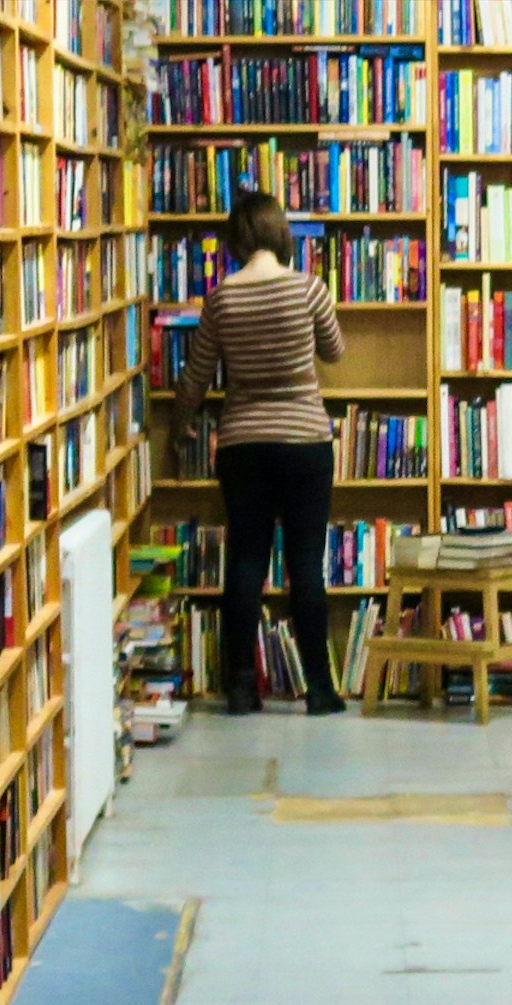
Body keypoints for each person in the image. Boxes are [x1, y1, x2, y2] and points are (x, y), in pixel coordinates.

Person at [171, 191, 348, 715]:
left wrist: (179, 429)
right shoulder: (309, 288)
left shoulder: (222, 298)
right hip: (304, 441)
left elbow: (196, 377)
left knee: (246, 562)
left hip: (243, 443)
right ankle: (319, 689)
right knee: (306, 566)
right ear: (278, 233)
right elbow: (335, 351)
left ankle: (242, 689)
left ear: (236, 240)